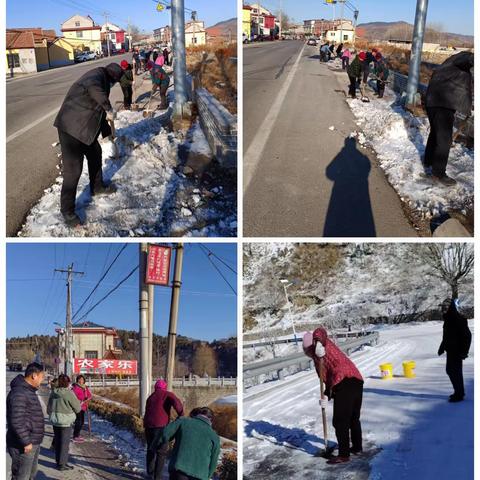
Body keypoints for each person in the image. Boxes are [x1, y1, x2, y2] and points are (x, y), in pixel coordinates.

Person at [54, 62, 123, 227]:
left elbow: (97, 111)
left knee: (95, 154)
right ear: (111, 77)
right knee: (74, 170)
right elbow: (96, 93)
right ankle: (67, 212)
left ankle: (97, 186)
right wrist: (108, 108)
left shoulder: (102, 79)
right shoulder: (95, 77)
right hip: (70, 128)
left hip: (84, 129)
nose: (114, 85)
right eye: (115, 82)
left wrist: (107, 132)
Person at [303, 328, 364, 465]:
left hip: (344, 381)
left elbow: (320, 331)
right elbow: (329, 379)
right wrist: (326, 395)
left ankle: (343, 455)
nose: (308, 354)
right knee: (353, 418)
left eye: (307, 351)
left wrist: (318, 343)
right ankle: (357, 448)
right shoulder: (319, 357)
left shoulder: (323, 345)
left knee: (340, 421)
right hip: (356, 380)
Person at [424, 51, 474, 186]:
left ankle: (428, 162)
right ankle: (438, 174)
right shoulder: (463, 58)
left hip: (432, 102)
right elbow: (469, 59)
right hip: (443, 103)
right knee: (444, 140)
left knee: (435, 134)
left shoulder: (446, 64)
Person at [7, 362, 45, 480]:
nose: (42, 380)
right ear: (34, 375)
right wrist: (26, 441)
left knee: (30, 475)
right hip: (23, 445)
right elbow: (16, 421)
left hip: (32, 442)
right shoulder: (19, 393)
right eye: (42, 377)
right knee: (21, 476)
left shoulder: (28, 391)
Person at [160, 407, 221, 480]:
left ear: (198, 414)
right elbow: (213, 461)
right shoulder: (214, 436)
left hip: (179, 470)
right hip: (200, 475)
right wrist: (207, 476)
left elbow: (165, 434)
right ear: (211, 420)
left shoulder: (183, 421)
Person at [144, 379, 184, 480]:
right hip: (161, 427)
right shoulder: (167, 394)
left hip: (148, 427)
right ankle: (157, 477)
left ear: (155, 388)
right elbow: (177, 403)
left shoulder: (150, 397)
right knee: (161, 453)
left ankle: (150, 473)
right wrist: (181, 414)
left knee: (150, 449)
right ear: (164, 387)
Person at [438, 298, 472, 402]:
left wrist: (464, 352)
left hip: (457, 351)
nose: (443, 309)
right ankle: (458, 392)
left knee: (455, 372)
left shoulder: (458, 319)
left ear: (451, 307)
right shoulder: (448, 318)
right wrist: (442, 347)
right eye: (442, 307)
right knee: (450, 371)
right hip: (450, 350)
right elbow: (447, 336)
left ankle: (459, 394)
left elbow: (467, 336)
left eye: (445, 307)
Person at [47, 374, 81, 471]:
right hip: (66, 421)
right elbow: (78, 408)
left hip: (55, 420)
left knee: (58, 442)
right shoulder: (69, 393)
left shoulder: (53, 392)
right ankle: (62, 464)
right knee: (64, 444)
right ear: (67, 383)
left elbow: (49, 408)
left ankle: (58, 462)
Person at [71, 375, 92, 442]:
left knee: (82, 422)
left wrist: (87, 399)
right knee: (78, 421)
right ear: (77, 380)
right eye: (80, 379)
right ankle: (75, 435)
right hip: (77, 406)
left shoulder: (85, 387)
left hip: (83, 407)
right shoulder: (75, 387)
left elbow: (89, 395)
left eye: (82, 380)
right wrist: (81, 400)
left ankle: (77, 434)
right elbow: (73, 397)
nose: (81, 381)